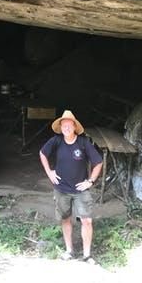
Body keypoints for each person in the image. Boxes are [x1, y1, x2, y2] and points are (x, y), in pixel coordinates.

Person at [39, 109, 103, 263]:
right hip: (61, 189)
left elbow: (98, 162)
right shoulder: (57, 140)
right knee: (65, 219)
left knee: (87, 220)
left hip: (81, 189)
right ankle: (69, 251)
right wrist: (49, 173)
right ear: (61, 127)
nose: (66, 127)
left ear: (74, 127)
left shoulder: (83, 142)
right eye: (63, 125)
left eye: (69, 125)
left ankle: (87, 255)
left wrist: (90, 181)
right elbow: (42, 153)